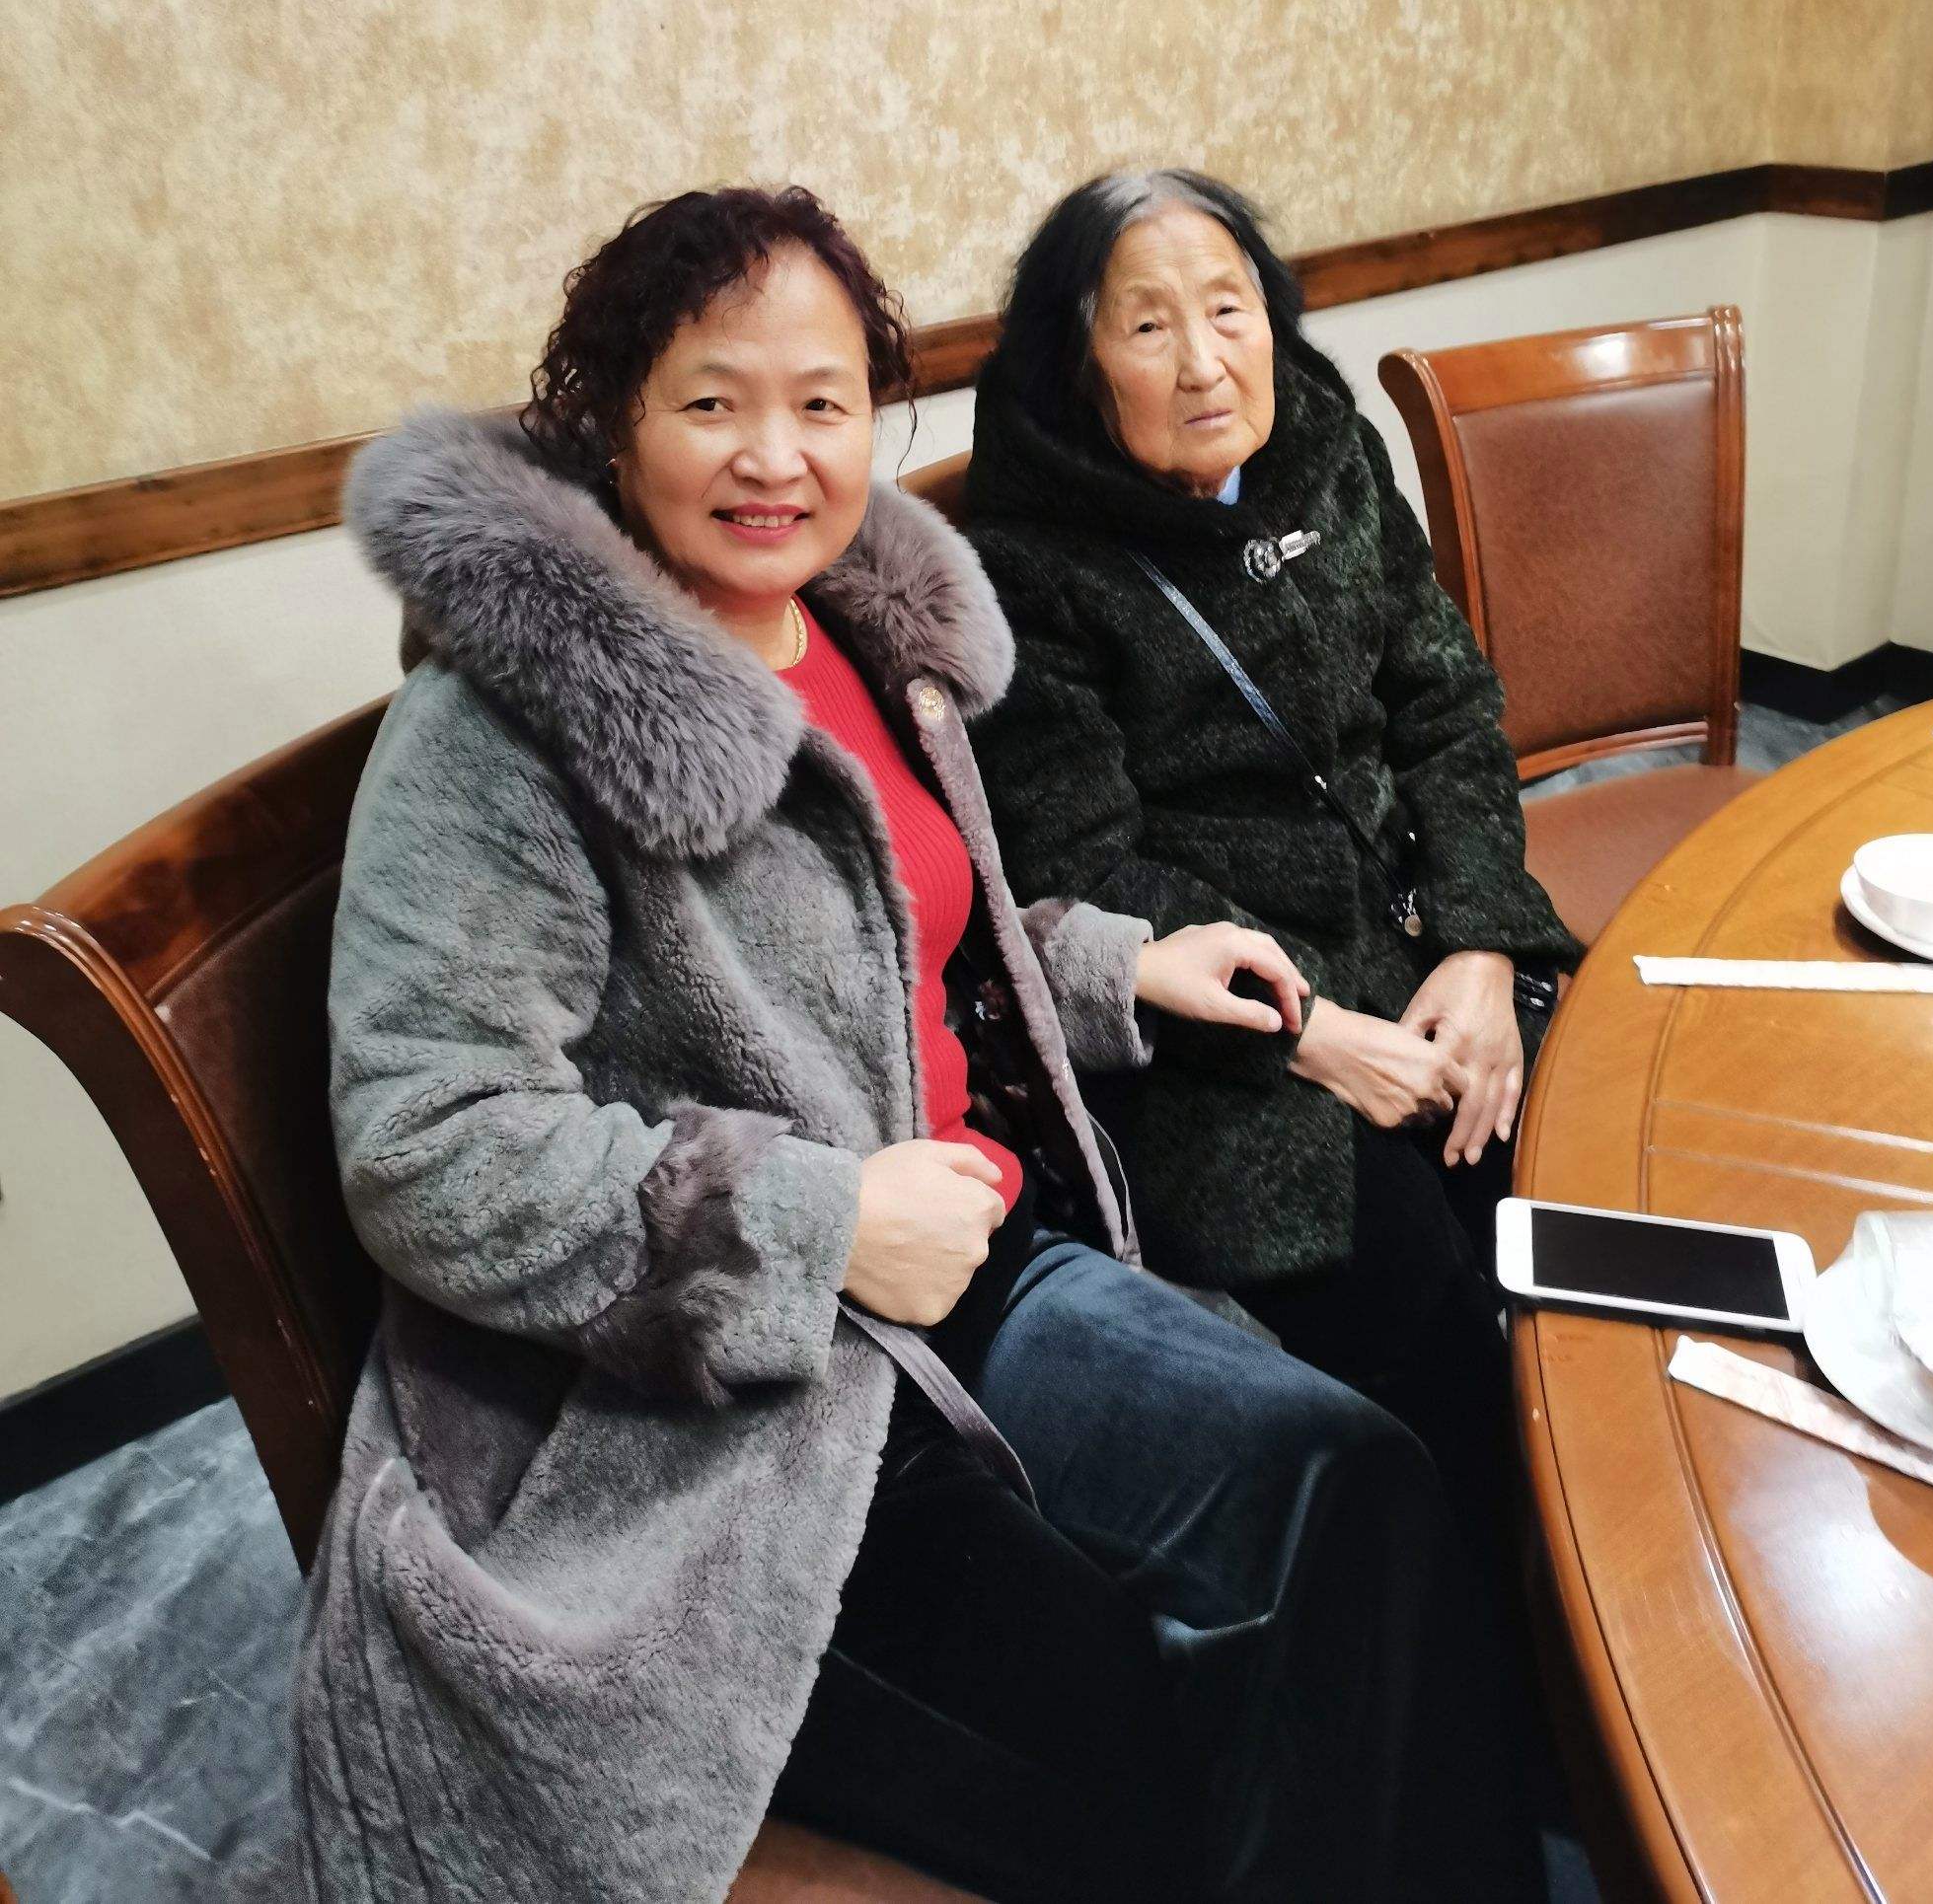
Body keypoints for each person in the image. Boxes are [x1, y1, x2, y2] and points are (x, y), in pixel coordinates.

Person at [280, 185, 1543, 1904]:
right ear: (611, 423)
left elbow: (913, 953)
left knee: (1356, 1484)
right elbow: (427, 1147)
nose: (774, 457)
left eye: (822, 403)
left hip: (974, 1262)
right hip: (721, 1406)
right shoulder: (502, 729)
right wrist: (819, 1224)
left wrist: (1121, 968)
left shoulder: (866, 635)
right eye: (711, 402)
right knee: (1147, 1726)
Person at [964, 169, 1585, 1536]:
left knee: (1584, 1182)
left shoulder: (1329, 450)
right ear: (1077, 363)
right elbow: (1080, 865)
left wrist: (1482, 944)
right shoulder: (1022, 562)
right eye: (1148, 327)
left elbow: (1448, 707)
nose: (1203, 362)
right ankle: (1497, 1607)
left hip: (1421, 936)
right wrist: (1314, 1035)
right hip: (1225, 1031)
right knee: (1421, 1307)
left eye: (1228, 309)